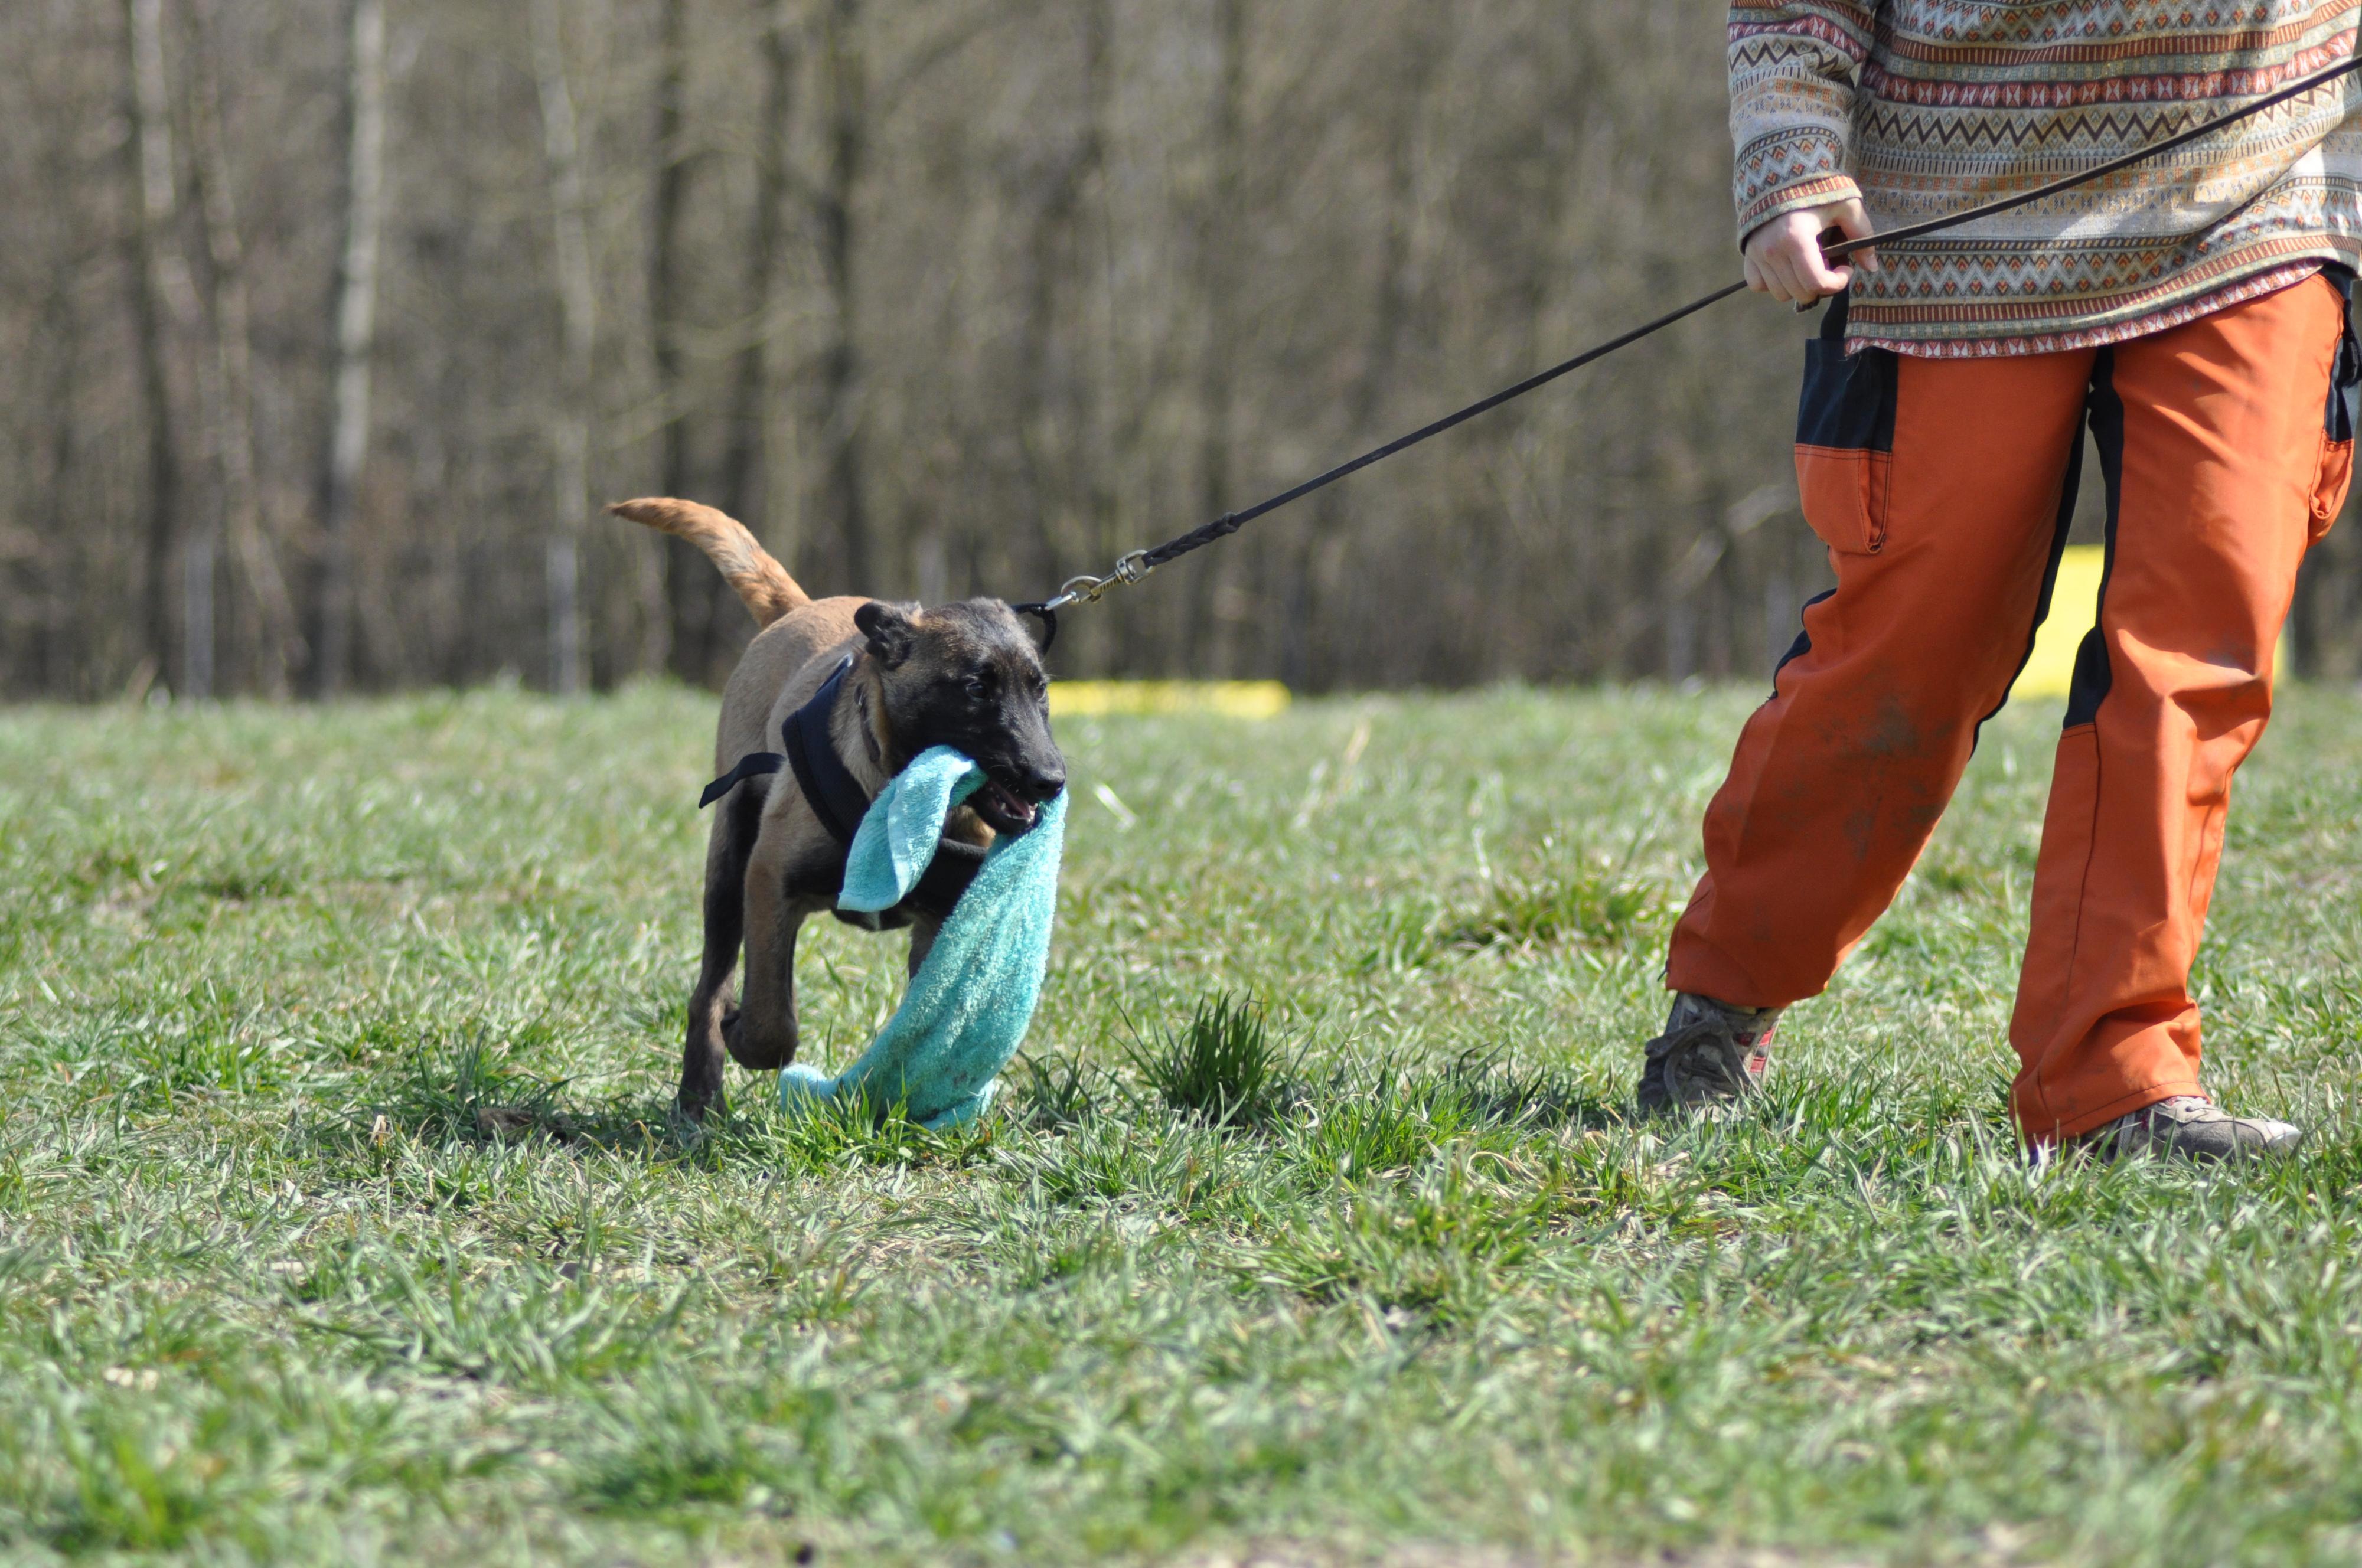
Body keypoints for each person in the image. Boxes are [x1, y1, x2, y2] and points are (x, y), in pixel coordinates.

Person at [1640, 2, 2362, 1159]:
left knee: (2195, 635)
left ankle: (2113, 1084)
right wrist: (1786, 151)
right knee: (1914, 652)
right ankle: (1721, 1002)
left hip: (2258, 188)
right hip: (1943, 209)